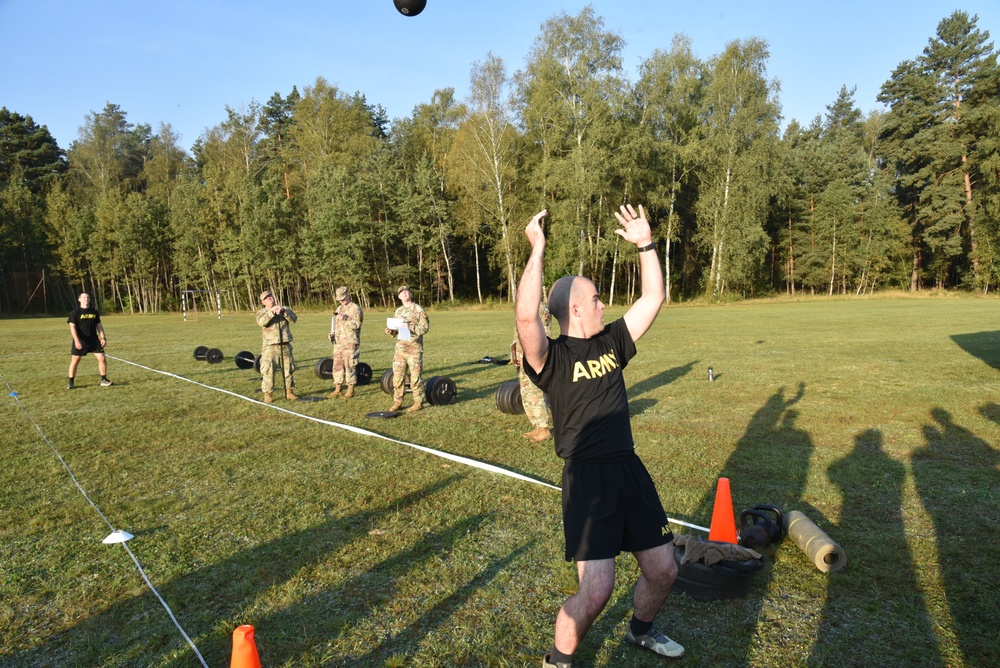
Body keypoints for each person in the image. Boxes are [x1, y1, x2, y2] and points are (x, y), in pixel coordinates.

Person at [515, 205, 683, 666]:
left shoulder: (612, 341)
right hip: (588, 480)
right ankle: (558, 661)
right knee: (597, 588)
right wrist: (538, 249)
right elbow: (528, 320)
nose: (602, 303)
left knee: (665, 570)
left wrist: (646, 243)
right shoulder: (552, 358)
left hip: (629, 469)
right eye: (595, 298)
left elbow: (653, 298)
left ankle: (640, 631)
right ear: (573, 308)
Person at [510, 302, 553, 442]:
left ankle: (544, 428)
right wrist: (515, 352)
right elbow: (517, 331)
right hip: (523, 355)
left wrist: (541, 356)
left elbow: (546, 333)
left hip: (535, 355)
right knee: (526, 391)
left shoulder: (540, 308)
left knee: (536, 392)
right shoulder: (522, 307)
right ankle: (537, 426)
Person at [385, 284, 429, 412]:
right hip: (400, 348)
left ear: (410, 294)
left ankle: (418, 402)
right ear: (399, 296)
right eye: (401, 292)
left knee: (415, 376)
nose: (404, 293)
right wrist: (391, 331)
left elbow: (425, 328)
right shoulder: (398, 311)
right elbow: (396, 331)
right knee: (398, 376)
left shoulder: (419, 309)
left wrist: (411, 328)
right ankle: (397, 401)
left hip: (414, 348)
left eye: (406, 291)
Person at [256, 290, 298, 403]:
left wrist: (284, 312)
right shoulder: (262, 312)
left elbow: (294, 318)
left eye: (270, 296)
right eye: (266, 298)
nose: (269, 298)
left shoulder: (284, 308)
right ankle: (268, 394)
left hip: (285, 343)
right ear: (263, 302)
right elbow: (261, 322)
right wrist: (271, 313)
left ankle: (289, 392)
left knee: (288, 369)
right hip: (270, 346)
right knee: (269, 369)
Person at [67, 292, 111, 389]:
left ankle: (104, 379)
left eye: (88, 297)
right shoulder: (74, 313)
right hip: (81, 340)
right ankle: (71, 382)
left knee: (102, 358)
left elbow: (99, 326)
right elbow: (72, 328)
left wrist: (103, 337)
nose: (86, 299)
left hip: (94, 340)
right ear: (79, 299)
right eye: (84, 297)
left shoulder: (94, 312)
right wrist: (77, 341)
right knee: (75, 360)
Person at [327, 285, 364, 399]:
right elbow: (336, 324)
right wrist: (332, 333)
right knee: (337, 365)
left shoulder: (355, 309)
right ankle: (338, 388)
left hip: (350, 342)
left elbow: (357, 325)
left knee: (349, 365)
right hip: (339, 342)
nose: (342, 301)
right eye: (339, 300)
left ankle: (350, 389)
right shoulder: (339, 309)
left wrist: (345, 319)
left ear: (348, 295)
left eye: (343, 299)